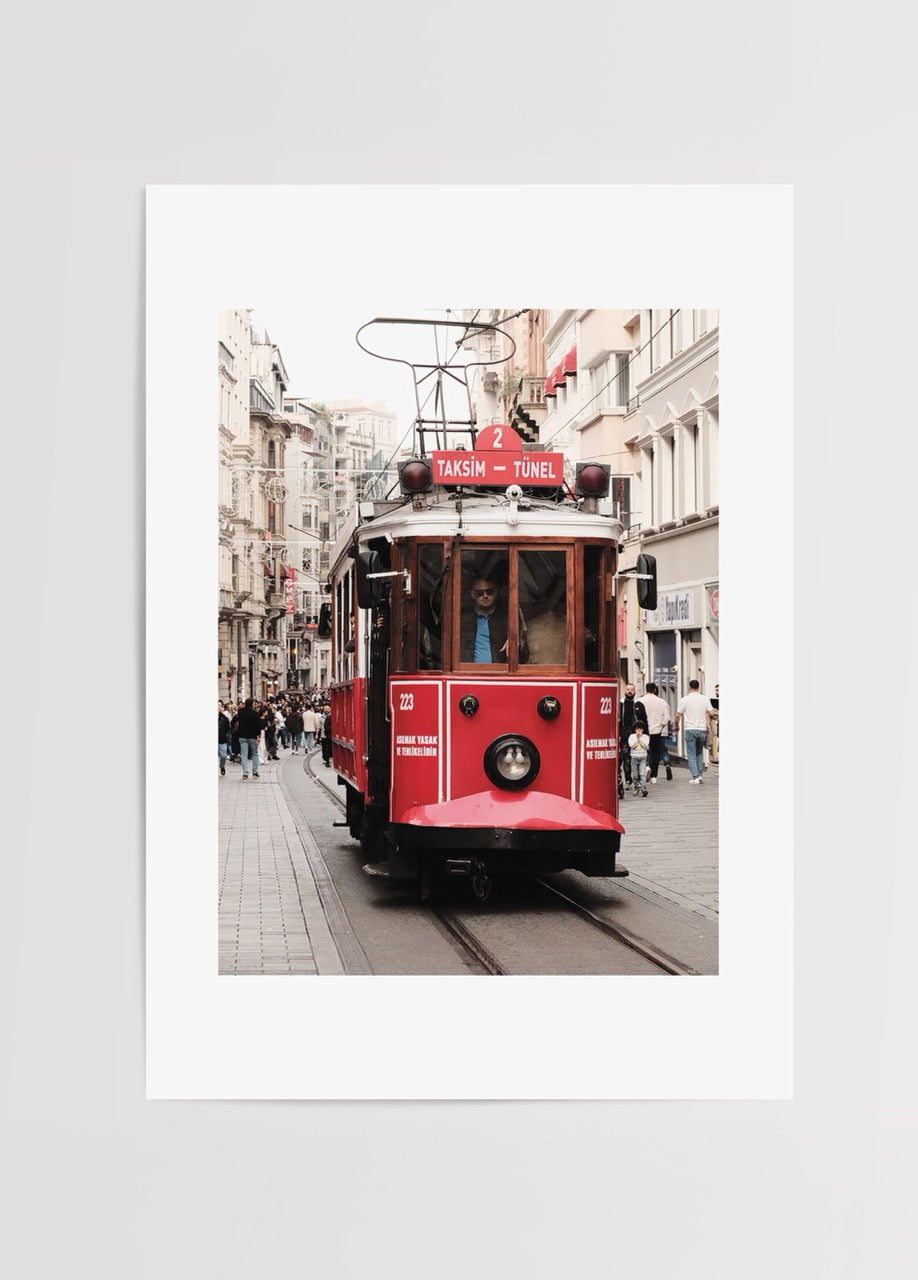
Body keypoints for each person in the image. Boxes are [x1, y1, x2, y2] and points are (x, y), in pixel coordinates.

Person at [459, 576, 529, 664]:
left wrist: (516, 641)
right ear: (473, 594)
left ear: (495, 593)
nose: (485, 596)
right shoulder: (462, 621)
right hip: (468, 674)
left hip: (499, 674)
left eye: (489, 592)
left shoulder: (507, 619)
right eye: (480, 593)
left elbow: (524, 656)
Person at [675, 678, 715, 784]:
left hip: (690, 729)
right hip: (702, 729)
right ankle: (700, 775)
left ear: (689, 687)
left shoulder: (684, 700)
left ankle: (695, 777)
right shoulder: (705, 699)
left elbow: (678, 715)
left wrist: (676, 725)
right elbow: (711, 713)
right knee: (699, 752)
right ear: (699, 687)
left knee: (691, 754)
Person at [635, 682, 671, 784]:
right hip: (656, 731)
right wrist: (661, 725)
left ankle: (643, 771)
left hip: (643, 731)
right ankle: (654, 776)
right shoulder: (662, 702)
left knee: (642, 752)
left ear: (645, 689)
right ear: (655, 690)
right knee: (655, 754)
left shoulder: (640, 701)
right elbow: (666, 717)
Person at [618, 683, 642, 788]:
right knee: (626, 758)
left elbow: (644, 721)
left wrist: (645, 734)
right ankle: (628, 780)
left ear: (635, 691)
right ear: (625, 691)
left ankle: (639, 779)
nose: (629, 691)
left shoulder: (638, 705)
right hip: (624, 736)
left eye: (632, 689)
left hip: (637, 736)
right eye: (628, 689)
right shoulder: (620, 704)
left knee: (637, 758)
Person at [235, 697, 262, 778]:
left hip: (242, 736)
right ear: (251, 704)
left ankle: (245, 773)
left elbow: (238, 722)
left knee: (244, 754)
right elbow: (258, 726)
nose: (255, 705)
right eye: (254, 703)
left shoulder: (240, 712)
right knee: (254, 753)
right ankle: (254, 771)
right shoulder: (255, 713)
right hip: (252, 736)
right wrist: (258, 736)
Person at [628, 723, 650, 796]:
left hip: (643, 757)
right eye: (637, 729)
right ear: (635, 729)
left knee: (642, 773)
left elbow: (645, 745)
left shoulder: (646, 737)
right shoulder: (632, 736)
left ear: (643, 730)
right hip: (634, 757)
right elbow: (631, 745)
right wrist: (636, 738)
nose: (639, 731)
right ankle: (636, 787)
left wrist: (640, 739)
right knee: (635, 775)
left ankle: (643, 788)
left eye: (640, 729)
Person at [218, 701, 231, 776]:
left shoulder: (224, 718)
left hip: (222, 740)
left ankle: (222, 766)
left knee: (223, 755)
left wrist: (224, 734)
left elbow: (227, 728)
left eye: (219, 706)